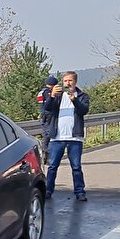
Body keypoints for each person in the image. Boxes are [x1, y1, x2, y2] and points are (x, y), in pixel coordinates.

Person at [41, 71, 91, 201]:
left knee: (76, 167)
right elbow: (47, 108)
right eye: (65, 81)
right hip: (57, 138)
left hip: (75, 138)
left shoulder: (82, 96)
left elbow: (83, 110)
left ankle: (80, 192)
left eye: (70, 81)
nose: (67, 83)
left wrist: (74, 100)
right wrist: (52, 96)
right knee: (52, 167)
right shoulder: (57, 96)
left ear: (75, 82)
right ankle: (48, 190)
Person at [37, 76, 59, 156]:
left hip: (44, 116)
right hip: (48, 116)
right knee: (49, 135)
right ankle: (46, 151)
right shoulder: (47, 92)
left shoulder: (41, 92)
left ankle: (45, 152)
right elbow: (49, 104)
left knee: (46, 135)